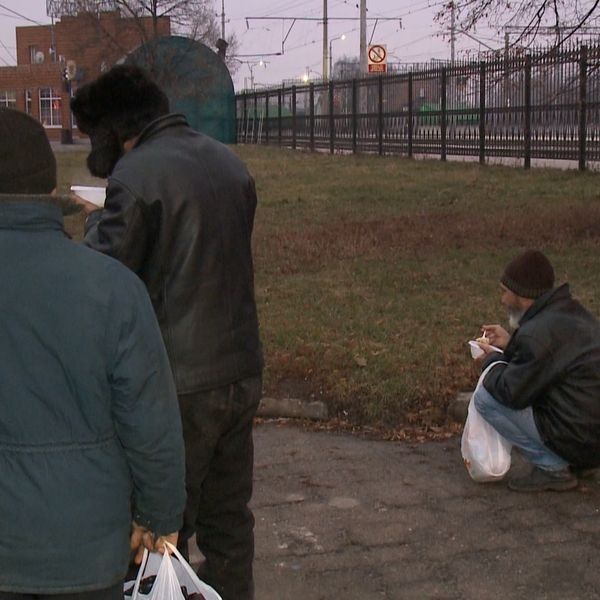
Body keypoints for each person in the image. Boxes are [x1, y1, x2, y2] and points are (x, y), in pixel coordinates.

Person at [70, 64, 264, 600]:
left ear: (112, 129)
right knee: (230, 520)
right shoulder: (228, 161)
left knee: (161, 523)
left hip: (178, 383)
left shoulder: (135, 177)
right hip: (242, 367)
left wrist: (95, 218)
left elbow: (104, 276)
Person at [0, 108, 186, 597]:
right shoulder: (114, 289)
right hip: (84, 549)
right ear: (48, 187)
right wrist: (160, 516)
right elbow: (150, 420)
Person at [472, 249, 600, 492]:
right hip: (591, 434)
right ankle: (580, 462)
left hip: (581, 438)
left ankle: (552, 468)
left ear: (521, 295)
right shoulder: (570, 312)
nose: (502, 300)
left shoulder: (536, 333)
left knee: (485, 399)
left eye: (505, 292)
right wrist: (511, 344)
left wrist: (491, 363)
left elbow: (510, 393)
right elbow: (551, 361)